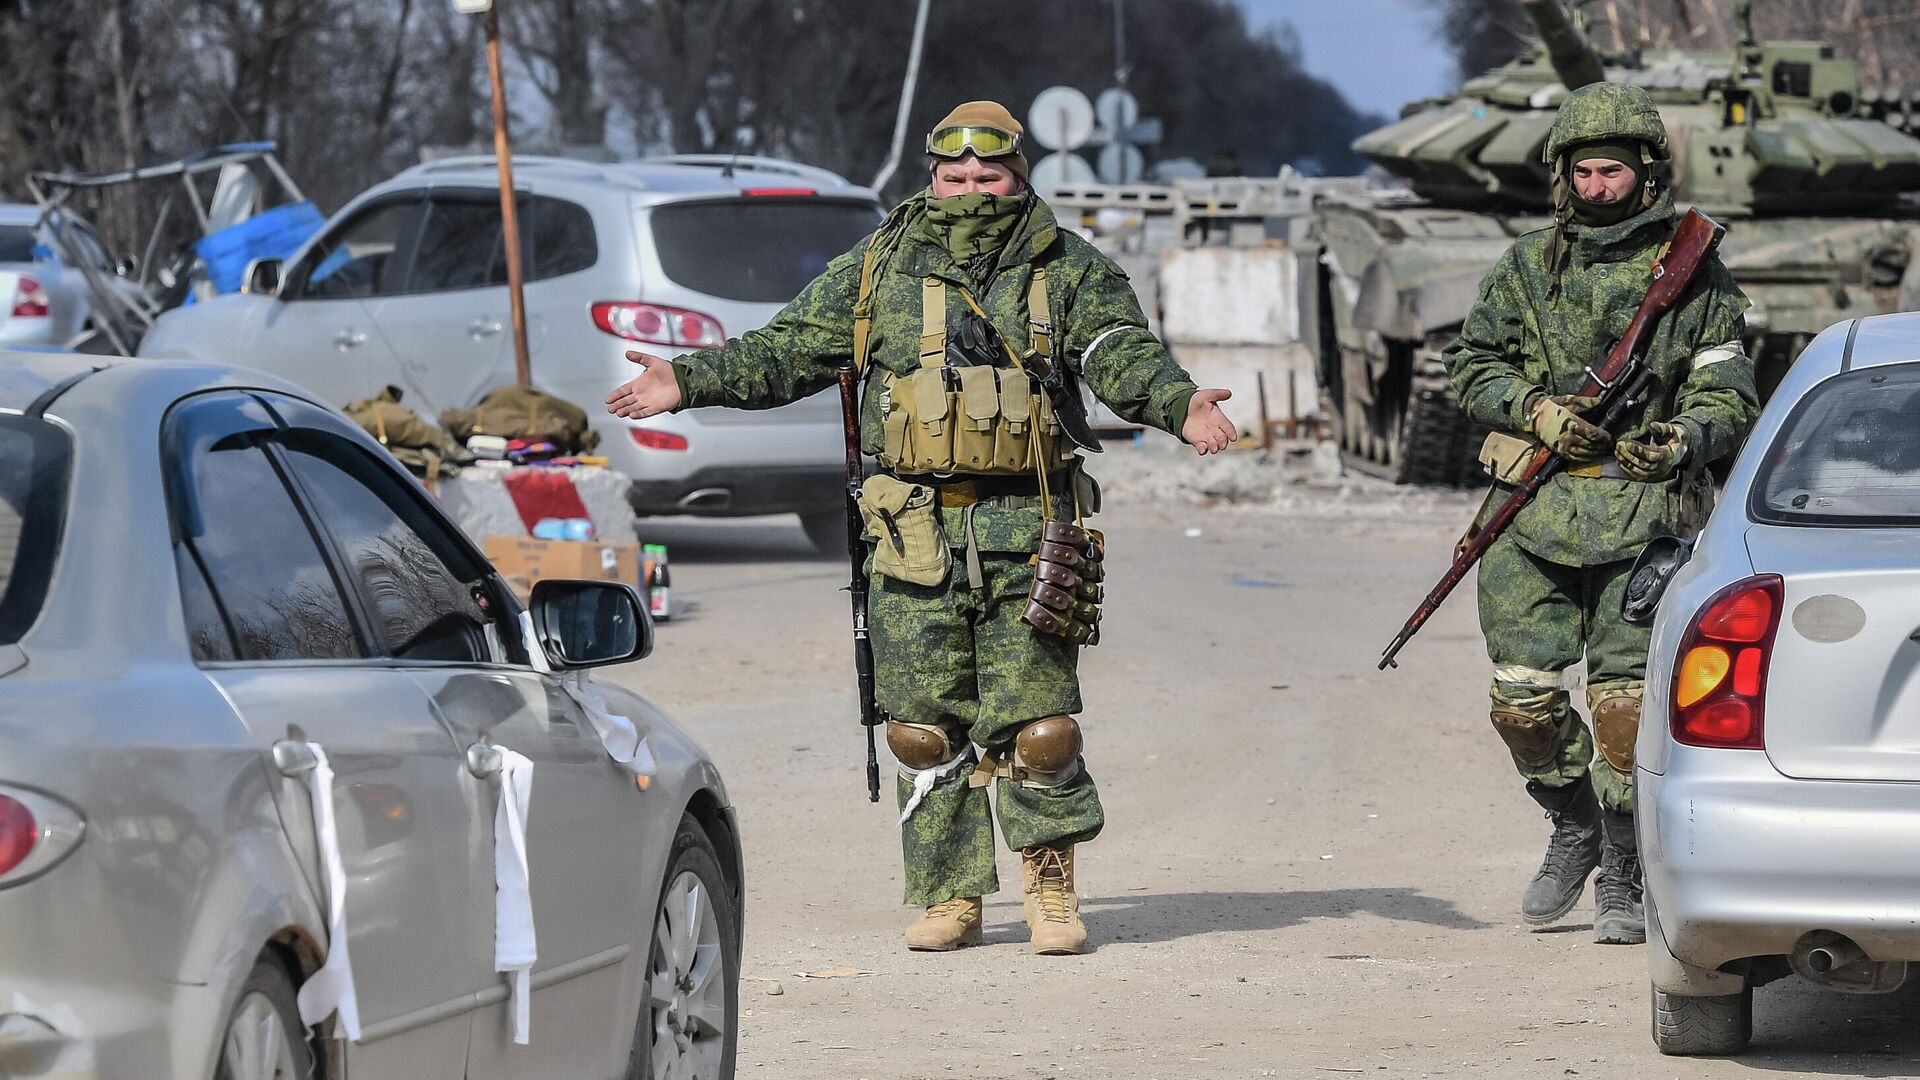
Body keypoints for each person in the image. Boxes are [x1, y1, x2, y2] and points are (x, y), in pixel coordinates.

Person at [605, 100, 1236, 954]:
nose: (971, 188)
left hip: (1028, 525)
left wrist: (1177, 401)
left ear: (1019, 176)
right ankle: (949, 895)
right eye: (955, 175)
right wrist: (690, 379)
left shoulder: (1067, 267)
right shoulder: (878, 267)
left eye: (990, 175)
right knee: (922, 729)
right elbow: (791, 347)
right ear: (932, 176)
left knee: (1039, 728)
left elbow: (1118, 351)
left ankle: (1050, 887)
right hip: (909, 532)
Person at [1442, 82, 1758, 944]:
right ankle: (1573, 824)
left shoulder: (1693, 276)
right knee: (1523, 707)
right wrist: (1537, 410)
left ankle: (1622, 863)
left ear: (1646, 173)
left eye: (1612, 169)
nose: (1597, 186)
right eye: (1582, 170)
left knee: (1623, 713)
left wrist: (1686, 437)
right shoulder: (1524, 267)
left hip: (1642, 522)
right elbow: (1469, 366)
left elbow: (1729, 391)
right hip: (1532, 512)